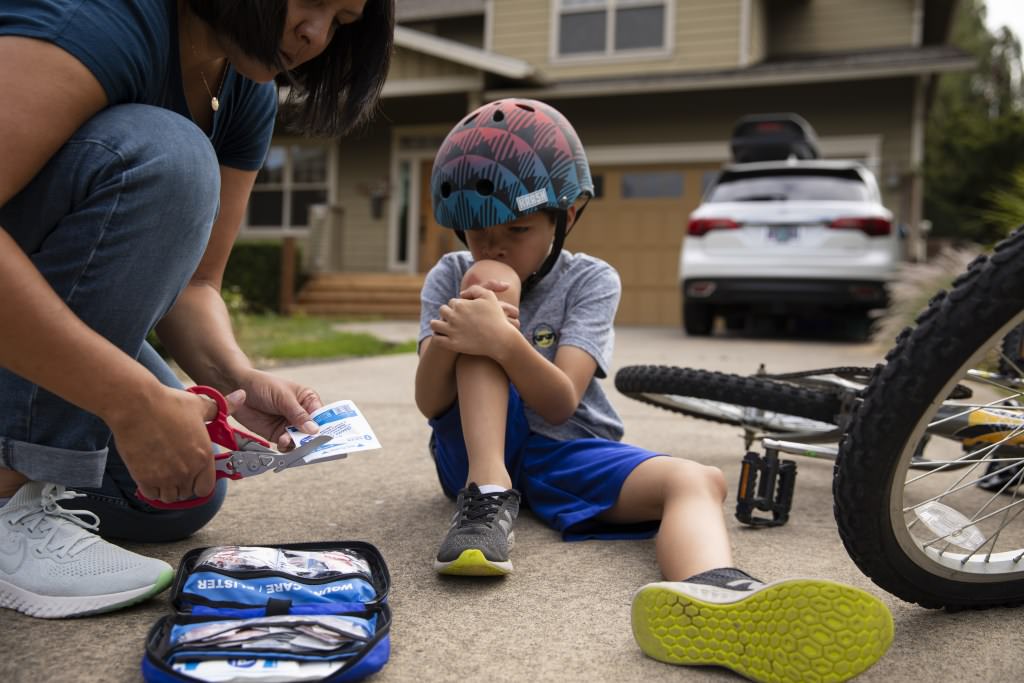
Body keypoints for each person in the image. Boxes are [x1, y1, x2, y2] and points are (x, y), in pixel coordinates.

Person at [414, 98, 894, 682]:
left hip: (565, 450)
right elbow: (429, 401)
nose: (495, 249)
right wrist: (466, 322)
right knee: (482, 326)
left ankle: (717, 597)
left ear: (567, 216)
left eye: (519, 230)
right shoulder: (450, 272)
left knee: (698, 479)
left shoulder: (592, 279)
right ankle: (488, 495)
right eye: (478, 232)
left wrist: (505, 340)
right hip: (471, 451)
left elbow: (561, 400)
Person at [0, 0, 394, 618]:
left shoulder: (243, 89)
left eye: (341, 21)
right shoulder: (102, 20)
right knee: (171, 156)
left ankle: (29, 472)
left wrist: (237, 380)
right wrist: (130, 400)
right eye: (312, 0)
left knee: (180, 493)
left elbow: (195, 287)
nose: (316, 34)